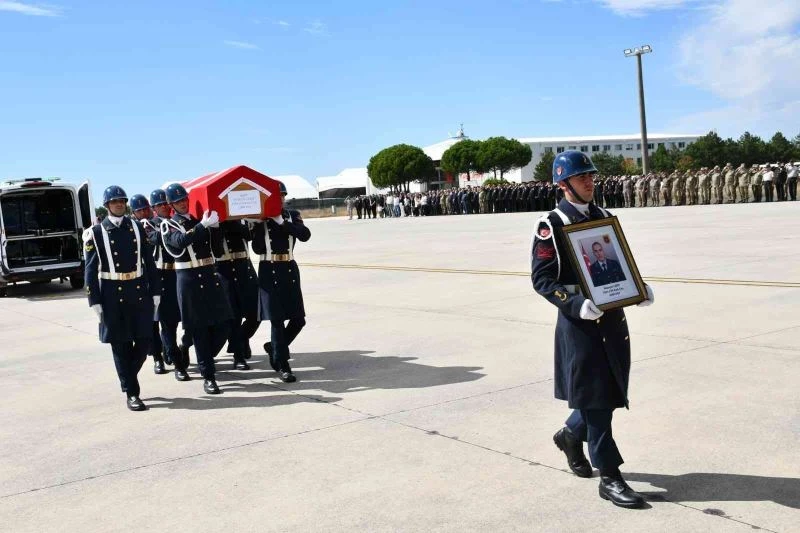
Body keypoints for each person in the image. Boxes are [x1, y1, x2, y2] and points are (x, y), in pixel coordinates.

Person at [530, 150, 654, 509]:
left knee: (607, 394)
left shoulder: (603, 217)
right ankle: (611, 477)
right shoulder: (551, 224)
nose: (590, 182)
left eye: (591, 176)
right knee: (597, 401)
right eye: (582, 177)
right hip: (581, 326)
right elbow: (542, 279)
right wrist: (574, 303)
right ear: (563, 184)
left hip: (612, 321)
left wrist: (638, 288)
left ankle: (571, 434)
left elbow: (616, 263)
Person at [84, 186, 161, 411]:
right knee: (121, 345)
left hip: (137, 289)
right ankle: (132, 393)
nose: (119, 204)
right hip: (111, 291)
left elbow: (149, 261)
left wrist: (155, 290)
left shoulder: (136, 227)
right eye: (114, 201)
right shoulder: (96, 233)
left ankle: (127, 378)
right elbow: (90, 270)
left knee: (145, 339)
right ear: (107, 205)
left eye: (122, 201)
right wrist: (94, 300)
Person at [161, 183, 232, 394]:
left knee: (224, 324)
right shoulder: (168, 226)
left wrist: (216, 229)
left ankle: (189, 347)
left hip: (210, 275)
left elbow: (217, 250)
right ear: (172, 205)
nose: (183, 203)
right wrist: (203, 226)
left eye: (184, 199)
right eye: (178, 201)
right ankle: (208, 375)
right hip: (189, 279)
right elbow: (180, 242)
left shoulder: (198, 221)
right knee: (200, 329)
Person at [252, 182, 311, 383]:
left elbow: (305, 235)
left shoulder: (292, 215)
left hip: (289, 268)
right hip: (269, 269)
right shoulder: (262, 220)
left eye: (283, 196)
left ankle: (275, 348)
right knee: (276, 320)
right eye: (277, 197)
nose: (281, 200)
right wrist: (259, 224)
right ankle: (283, 364)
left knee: (298, 319)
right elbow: (258, 248)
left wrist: (283, 223)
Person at [149, 188, 191, 382]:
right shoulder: (149, 225)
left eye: (166, 203)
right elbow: (155, 238)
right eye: (159, 205)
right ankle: (176, 364)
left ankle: (183, 346)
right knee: (168, 324)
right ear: (154, 209)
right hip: (161, 276)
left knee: (190, 319)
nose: (164, 207)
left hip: (180, 273)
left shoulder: (176, 222)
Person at [212, 219, 260, 370]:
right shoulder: (213, 223)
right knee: (234, 317)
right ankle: (238, 356)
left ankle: (240, 339)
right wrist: (218, 226)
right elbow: (216, 250)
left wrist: (236, 223)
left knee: (256, 314)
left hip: (244, 268)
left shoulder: (241, 219)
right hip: (224, 270)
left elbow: (249, 235)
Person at [129, 193, 168, 375]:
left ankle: (169, 350)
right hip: (145, 278)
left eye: (146, 208)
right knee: (152, 322)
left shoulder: (159, 222)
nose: (144, 212)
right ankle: (157, 358)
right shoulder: (136, 227)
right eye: (139, 210)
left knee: (168, 318)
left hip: (163, 274)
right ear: (134, 213)